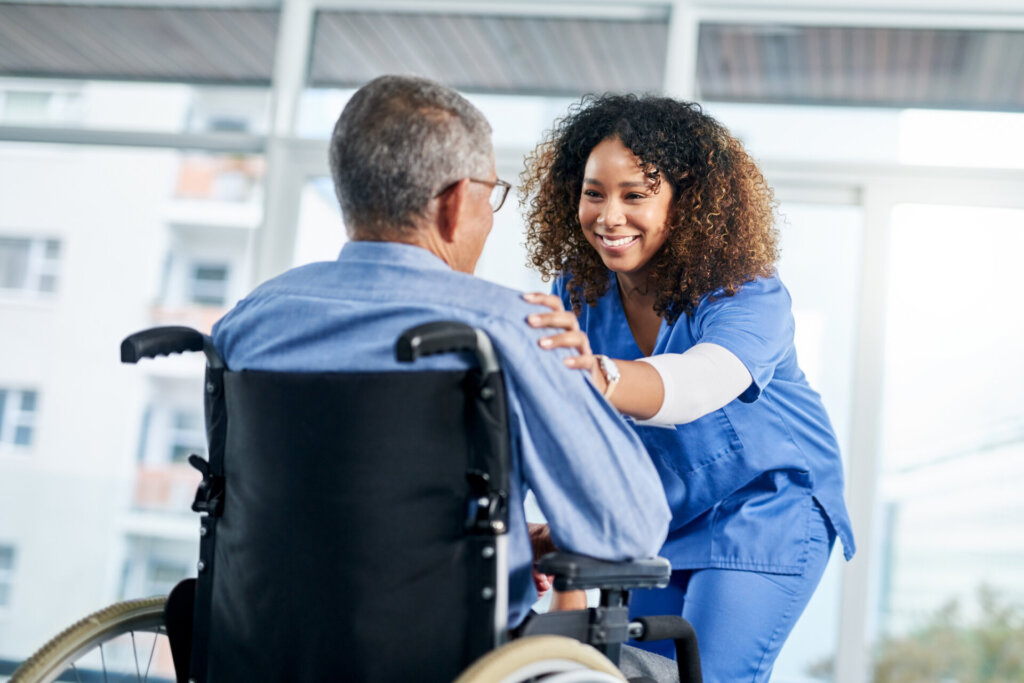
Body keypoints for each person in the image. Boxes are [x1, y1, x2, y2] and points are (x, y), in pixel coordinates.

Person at [211, 76, 672, 659]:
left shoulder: (248, 324)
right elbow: (627, 530)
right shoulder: (508, 329)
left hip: (267, 644)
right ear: (456, 204)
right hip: (450, 652)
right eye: (491, 193)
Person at [520, 93, 856, 682]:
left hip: (766, 509)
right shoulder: (578, 290)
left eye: (634, 195)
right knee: (640, 672)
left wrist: (599, 376)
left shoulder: (745, 291)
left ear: (688, 202)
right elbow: (569, 436)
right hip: (666, 521)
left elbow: (699, 383)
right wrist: (569, 567)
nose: (608, 216)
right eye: (593, 192)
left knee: (708, 675)